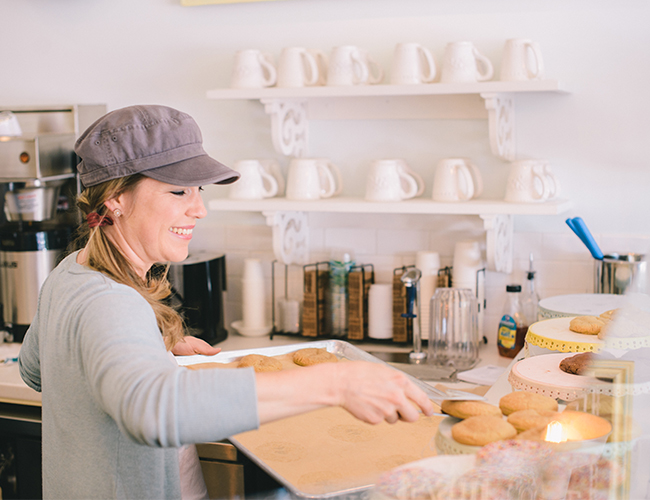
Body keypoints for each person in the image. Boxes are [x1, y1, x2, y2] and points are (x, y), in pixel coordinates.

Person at [18, 105, 435, 499]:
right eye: (178, 191)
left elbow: (36, 369)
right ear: (116, 199)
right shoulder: (111, 301)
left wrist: (148, 347)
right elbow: (153, 409)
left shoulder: (72, 271)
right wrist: (338, 383)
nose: (199, 208)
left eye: (198, 190)